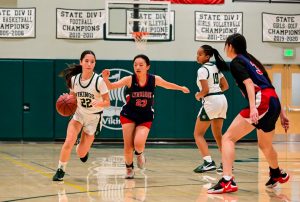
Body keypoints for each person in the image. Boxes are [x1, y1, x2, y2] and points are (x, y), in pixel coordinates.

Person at [208, 33, 290, 194]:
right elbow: (270, 86)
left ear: (230, 46)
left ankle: (227, 180)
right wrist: (282, 113)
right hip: (272, 101)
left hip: (262, 101)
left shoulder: (237, 61)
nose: (225, 48)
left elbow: (249, 83)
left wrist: (253, 107)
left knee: (228, 138)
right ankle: (276, 173)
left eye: (226, 45)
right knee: (264, 144)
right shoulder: (252, 60)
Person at [101, 54, 190, 179]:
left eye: (141, 65)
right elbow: (111, 86)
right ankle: (129, 169)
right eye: (135, 65)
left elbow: (167, 84)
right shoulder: (129, 79)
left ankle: (139, 153)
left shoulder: (154, 79)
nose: (138, 67)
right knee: (128, 146)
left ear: (147, 67)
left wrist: (181, 88)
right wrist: (105, 78)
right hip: (129, 114)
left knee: (138, 144)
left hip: (145, 115)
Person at [53, 50, 110, 181]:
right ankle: (60, 169)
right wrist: (66, 98)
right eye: (86, 61)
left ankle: (82, 146)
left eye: (92, 62)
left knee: (81, 153)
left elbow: (108, 102)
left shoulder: (99, 81)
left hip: (93, 119)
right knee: (68, 141)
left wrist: (100, 103)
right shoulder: (74, 80)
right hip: (79, 115)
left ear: (95, 64)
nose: (89, 64)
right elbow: (72, 98)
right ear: (81, 62)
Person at [193, 45, 229, 174]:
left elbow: (205, 90)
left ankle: (208, 162)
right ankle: (226, 163)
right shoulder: (216, 68)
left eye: (200, 54)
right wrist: (216, 92)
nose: (197, 56)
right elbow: (225, 86)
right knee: (218, 135)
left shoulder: (202, 70)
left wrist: (198, 95)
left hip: (212, 101)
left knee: (198, 134)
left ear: (207, 56)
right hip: (222, 100)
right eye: (197, 54)